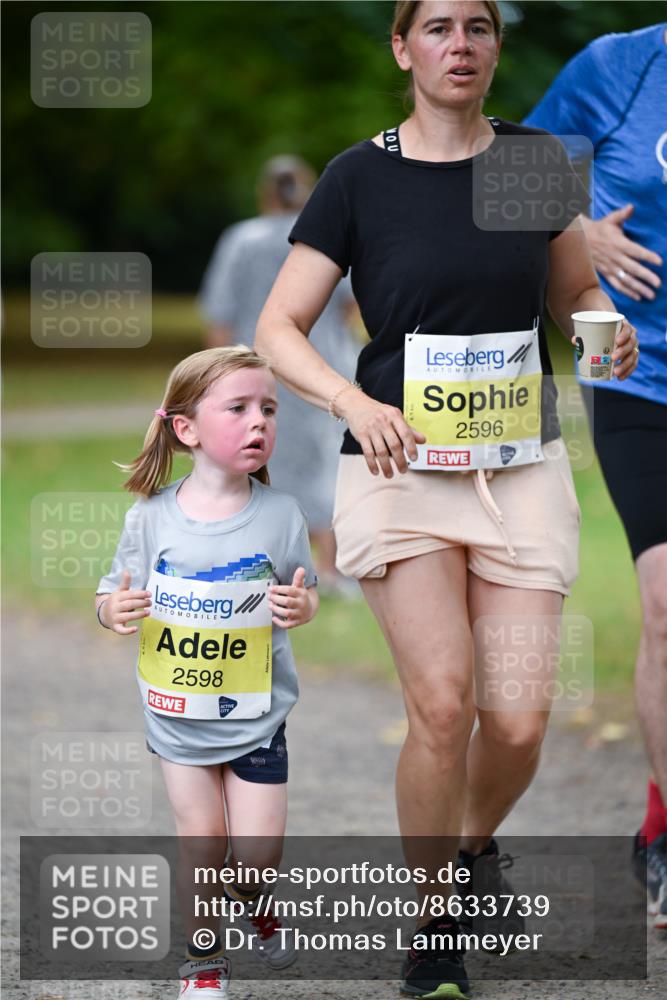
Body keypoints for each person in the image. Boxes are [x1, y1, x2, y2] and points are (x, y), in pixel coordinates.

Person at [255, 2, 639, 996]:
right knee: (440, 702)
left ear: (494, 50)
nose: (458, 45)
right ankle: (431, 926)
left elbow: (573, 300)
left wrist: (607, 336)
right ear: (402, 47)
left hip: (518, 471)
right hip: (396, 469)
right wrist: (350, 399)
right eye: (436, 29)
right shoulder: (357, 178)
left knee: (514, 720)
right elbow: (278, 327)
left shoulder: (530, 165)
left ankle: (470, 849)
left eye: (477, 28)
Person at [95, 346, 319, 999]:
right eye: (239, 408)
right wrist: (115, 610)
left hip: (256, 722)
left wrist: (299, 606)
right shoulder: (150, 516)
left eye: (268, 409)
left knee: (253, 860)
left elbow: (300, 591)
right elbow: (110, 593)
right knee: (201, 844)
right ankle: (203, 966)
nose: (259, 423)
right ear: (186, 429)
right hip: (177, 719)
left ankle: (257, 901)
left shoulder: (281, 516)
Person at [524, 23, 667, 931]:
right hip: (630, 364)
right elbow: (504, 179)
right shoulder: (623, 63)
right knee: (666, 603)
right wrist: (578, 228)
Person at [199, 155, 360, 595]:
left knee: (252, 463)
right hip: (318, 367)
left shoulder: (240, 239)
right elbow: (349, 303)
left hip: (252, 372)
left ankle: (255, 564)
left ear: (265, 192)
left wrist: (216, 374)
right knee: (326, 464)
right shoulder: (319, 238)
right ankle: (330, 568)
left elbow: (220, 312)